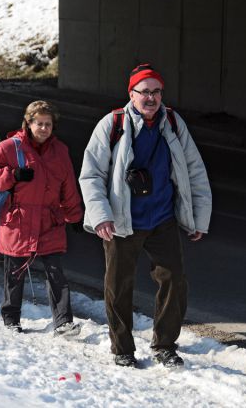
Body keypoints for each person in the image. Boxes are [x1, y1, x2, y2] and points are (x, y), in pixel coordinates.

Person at [79, 64, 212, 368]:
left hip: (162, 218)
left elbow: (195, 171)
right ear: (131, 94)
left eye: (156, 92)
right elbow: (91, 174)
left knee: (174, 280)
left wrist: (199, 218)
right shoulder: (112, 124)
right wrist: (100, 215)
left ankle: (164, 344)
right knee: (118, 286)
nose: (151, 98)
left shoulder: (174, 123)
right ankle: (122, 349)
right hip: (122, 221)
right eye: (144, 92)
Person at [0, 101, 83, 336]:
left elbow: (69, 186)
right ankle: (11, 318)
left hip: (50, 220)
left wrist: (74, 215)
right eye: (39, 124)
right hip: (19, 220)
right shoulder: (9, 147)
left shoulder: (61, 151)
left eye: (48, 124)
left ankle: (63, 322)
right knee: (14, 273)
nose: (44, 128)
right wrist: (11, 174)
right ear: (28, 123)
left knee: (56, 273)